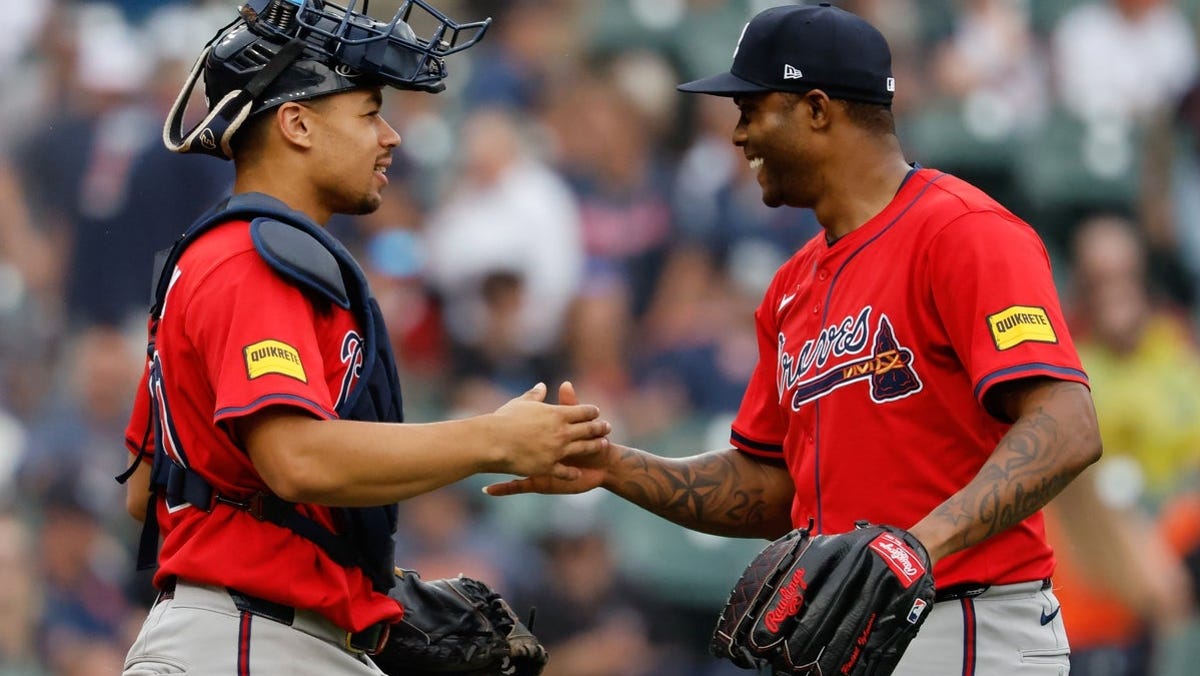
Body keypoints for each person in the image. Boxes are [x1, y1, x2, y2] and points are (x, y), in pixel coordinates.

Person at [486, 4, 1102, 675]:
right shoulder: (792, 286)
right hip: (846, 636)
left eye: (751, 108)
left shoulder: (963, 233)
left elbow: (1068, 425)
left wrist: (914, 547)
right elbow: (771, 486)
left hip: (965, 622)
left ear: (816, 109)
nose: (738, 134)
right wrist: (616, 468)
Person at [116, 1, 610, 674]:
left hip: (252, 630)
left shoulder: (223, 255)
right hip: (248, 640)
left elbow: (146, 493)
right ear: (296, 123)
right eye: (369, 110)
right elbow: (297, 460)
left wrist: (348, 583)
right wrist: (496, 439)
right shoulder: (254, 261)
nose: (391, 136)